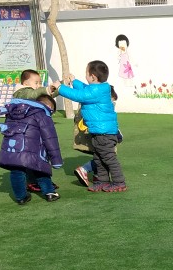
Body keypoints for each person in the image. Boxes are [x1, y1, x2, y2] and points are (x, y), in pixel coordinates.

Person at [53, 61, 125, 193]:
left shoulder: (97, 91)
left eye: (86, 73)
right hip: (98, 131)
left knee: (109, 158)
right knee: (98, 158)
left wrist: (60, 88)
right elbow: (85, 89)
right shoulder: (99, 88)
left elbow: (79, 95)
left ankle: (119, 182)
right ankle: (102, 181)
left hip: (104, 133)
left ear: (93, 76)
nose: (85, 75)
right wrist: (74, 81)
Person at [0, 94, 63, 204]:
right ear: (49, 107)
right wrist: (56, 161)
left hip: (13, 146)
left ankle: (21, 197)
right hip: (34, 147)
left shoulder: (13, 110)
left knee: (16, 170)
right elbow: (50, 138)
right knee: (41, 168)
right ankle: (49, 192)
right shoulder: (42, 114)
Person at [73, 85, 121, 188]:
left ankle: (98, 176)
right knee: (106, 156)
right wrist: (117, 133)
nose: (112, 105)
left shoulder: (91, 103)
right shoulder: (98, 108)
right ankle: (84, 169)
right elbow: (104, 123)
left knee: (99, 155)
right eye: (112, 102)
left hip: (94, 134)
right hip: (99, 134)